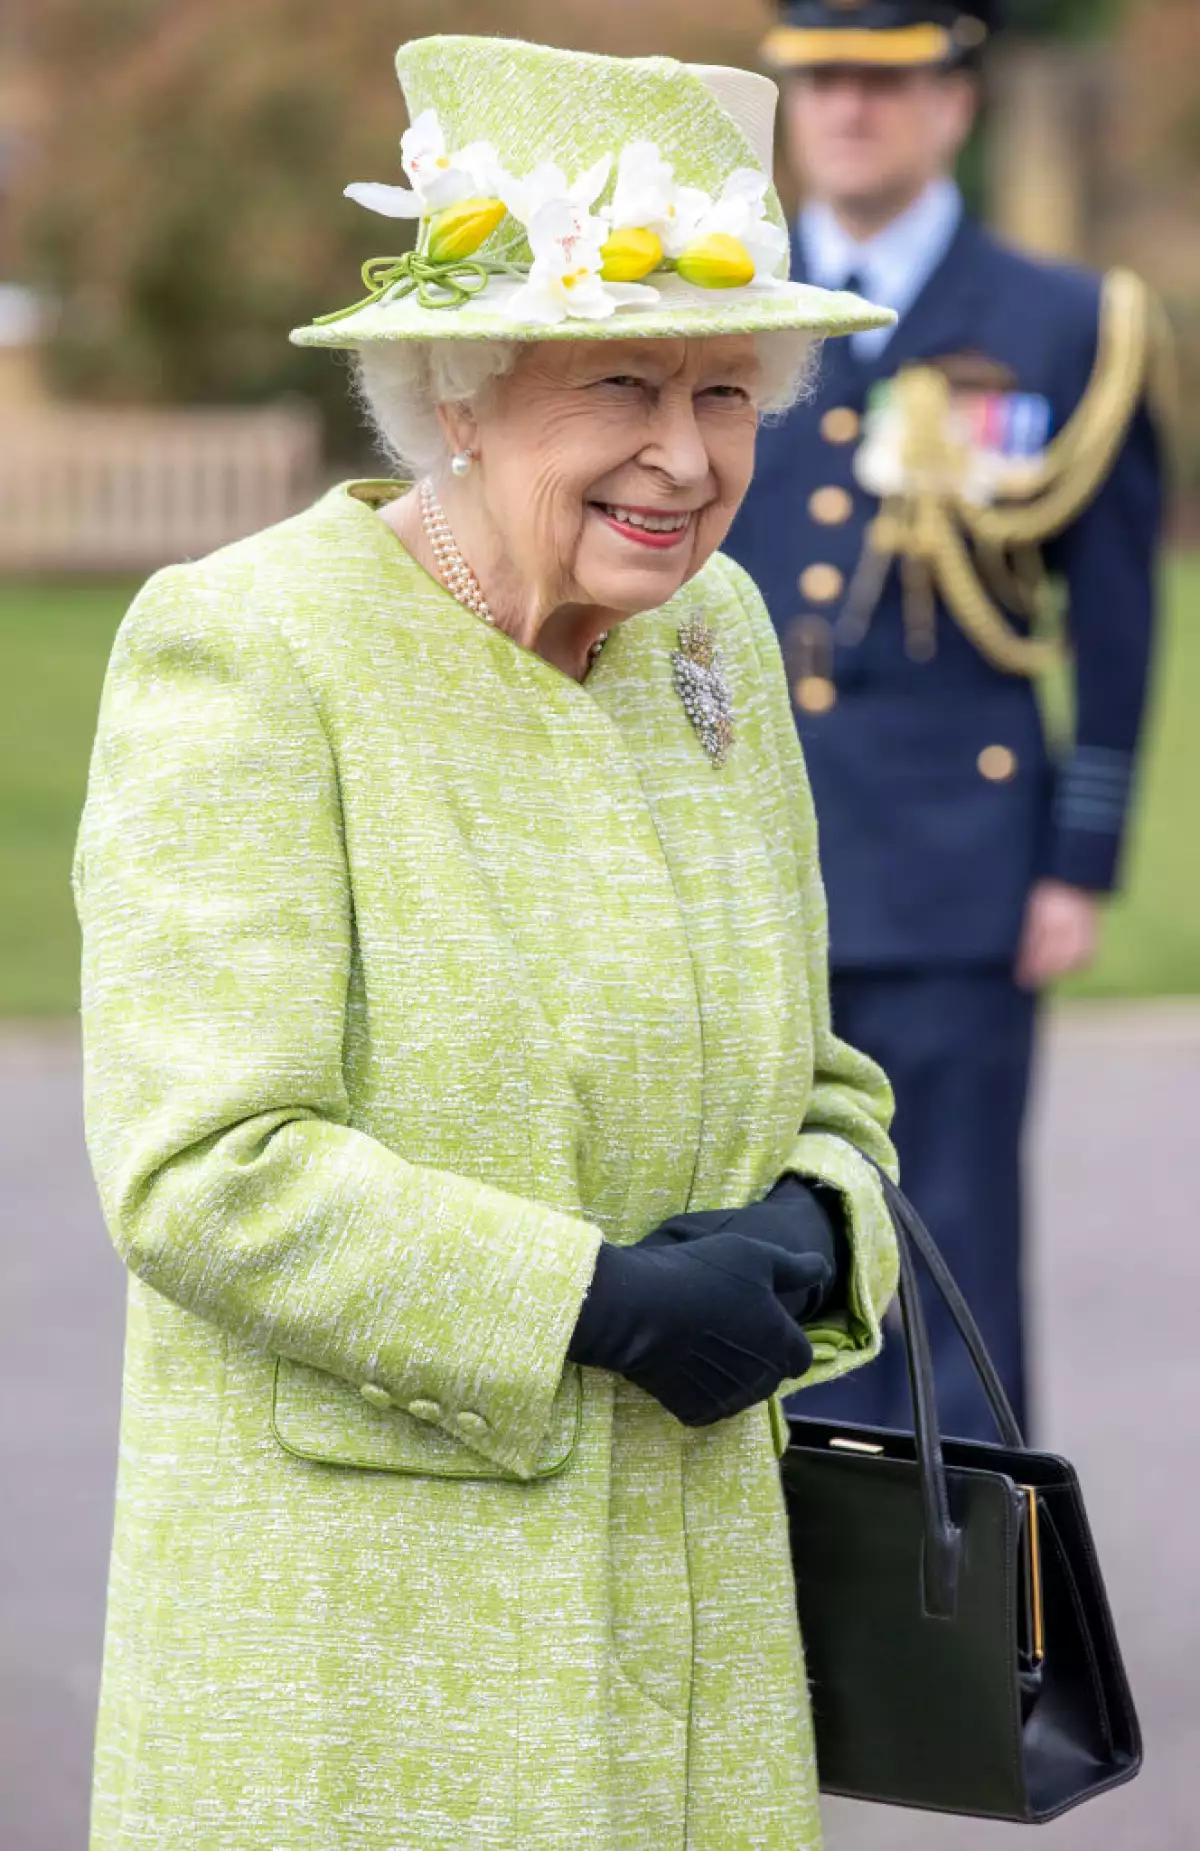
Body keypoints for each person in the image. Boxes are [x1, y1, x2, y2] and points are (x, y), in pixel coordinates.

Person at [74, 34, 902, 1851]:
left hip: (694, 1643)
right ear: (459, 389)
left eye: (728, 393)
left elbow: (821, 1072)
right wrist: (589, 1302)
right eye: (622, 383)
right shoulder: (253, 649)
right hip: (367, 1658)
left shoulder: (712, 635)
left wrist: (815, 1217)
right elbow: (205, 1166)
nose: (685, 461)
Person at [726, 0, 1170, 1441]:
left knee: (950, 1267)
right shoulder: (722, 304)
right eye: (822, 82)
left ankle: (974, 1644)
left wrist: (1078, 859)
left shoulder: (1058, 322)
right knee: (741, 1264)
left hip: (956, 873)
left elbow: (1113, 617)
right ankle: (773, 1632)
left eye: (884, 82)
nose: (848, 110)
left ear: (955, 106)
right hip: (738, 859)